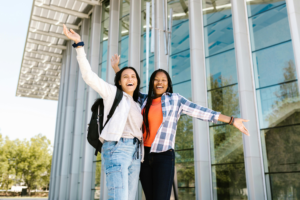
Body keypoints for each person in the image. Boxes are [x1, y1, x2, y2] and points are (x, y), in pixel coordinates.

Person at [110, 55, 250, 200]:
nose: (160, 82)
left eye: (163, 80)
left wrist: (232, 120)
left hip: (164, 156)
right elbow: (128, 86)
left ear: (168, 83)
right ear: (152, 82)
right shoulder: (144, 99)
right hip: (143, 156)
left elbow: (201, 111)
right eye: (156, 79)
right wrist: (116, 68)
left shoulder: (175, 99)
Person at [63, 25, 144, 200]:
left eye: (133, 77)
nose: (130, 79)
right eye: (125, 77)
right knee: (118, 197)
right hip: (117, 148)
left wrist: (118, 69)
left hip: (135, 152)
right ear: (119, 82)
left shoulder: (138, 103)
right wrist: (79, 45)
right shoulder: (112, 93)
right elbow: (88, 76)